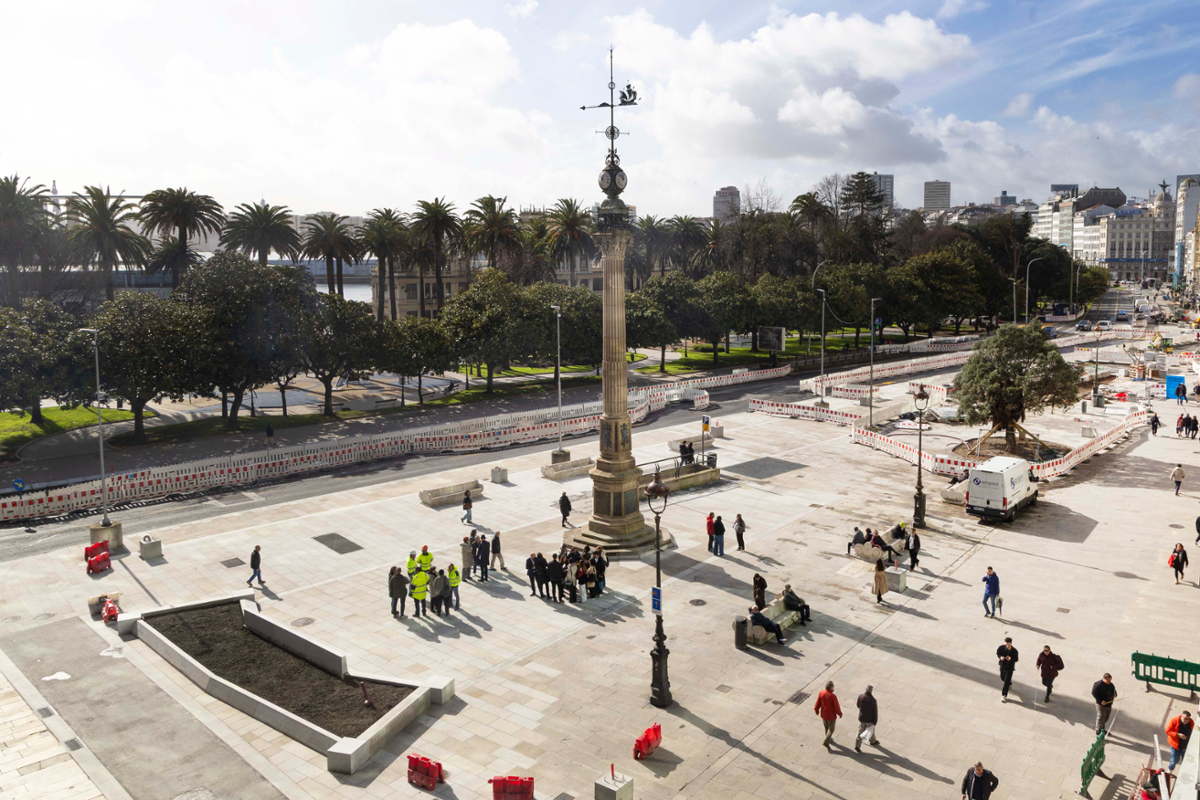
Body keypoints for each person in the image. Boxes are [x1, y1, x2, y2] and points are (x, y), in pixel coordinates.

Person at [813, 681, 841, 750]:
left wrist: (816, 710)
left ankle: (828, 738)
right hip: (831, 716)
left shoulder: (821, 693)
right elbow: (836, 707)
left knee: (826, 727)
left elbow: (817, 703)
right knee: (831, 729)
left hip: (823, 714)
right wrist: (840, 713)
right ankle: (826, 742)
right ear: (831, 688)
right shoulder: (833, 696)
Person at [854, 685, 879, 752]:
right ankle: (873, 741)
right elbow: (875, 712)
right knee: (870, 730)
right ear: (871, 691)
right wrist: (875, 721)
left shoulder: (861, 696)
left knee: (860, 731)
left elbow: (858, 705)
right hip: (869, 719)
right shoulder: (873, 700)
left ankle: (857, 745)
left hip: (862, 717)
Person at [997, 637, 1018, 701]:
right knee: (1002, 678)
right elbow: (998, 653)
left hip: (1010, 668)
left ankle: (1004, 695)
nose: (1007, 645)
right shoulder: (1002, 648)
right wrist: (1001, 657)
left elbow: (1016, 659)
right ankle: (1010, 683)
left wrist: (1011, 659)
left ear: (1010, 643)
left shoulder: (1014, 651)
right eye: (1006, 644)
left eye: (1008, 644)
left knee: (1006, 681)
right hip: (1003, 666)